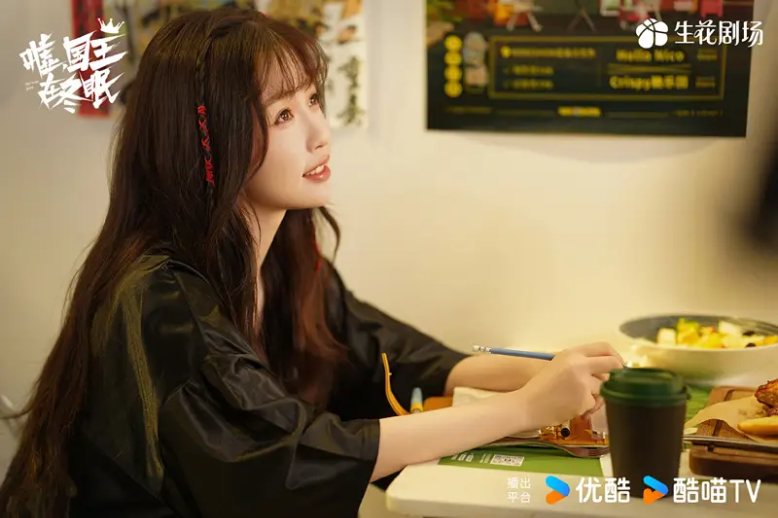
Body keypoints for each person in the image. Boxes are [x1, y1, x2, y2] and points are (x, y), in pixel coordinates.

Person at [0, 7, 624, 518]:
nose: (320, 132)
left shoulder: (282, 258)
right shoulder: (161, 300)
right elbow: (287, 458)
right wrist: (524, 410)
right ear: (208, 148)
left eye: (312, 99)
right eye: (282, 115)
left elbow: (377, 351)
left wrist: (541, 374)